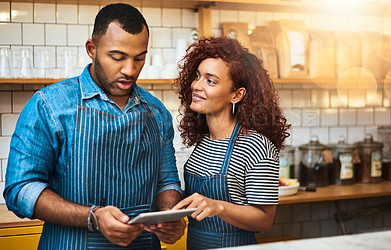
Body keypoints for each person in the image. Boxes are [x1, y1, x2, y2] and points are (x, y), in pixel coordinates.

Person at [3, 3, 185, 249]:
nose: (129, 70)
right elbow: (20, 189)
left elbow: (166, 183)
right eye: (117, 57)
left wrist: (170, 215)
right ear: (92, 49)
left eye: (139, 58)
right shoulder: (50, 106)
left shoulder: (156, 112)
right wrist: (93, 217)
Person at [172, 36, 290, 249]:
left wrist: (218, 207)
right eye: (197, 76)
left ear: (237, 95)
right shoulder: (204, 141)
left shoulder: (255, 146)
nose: (197, 86)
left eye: (211, 81)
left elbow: (264, 220)